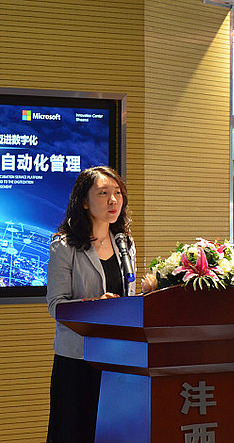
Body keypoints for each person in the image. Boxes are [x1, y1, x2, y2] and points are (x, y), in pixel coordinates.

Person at [46, 166, 136, 443]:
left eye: (117, 193)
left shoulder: (125, 244)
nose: (113, 200)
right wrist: (96, 305)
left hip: (118, 358)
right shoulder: (64, 247)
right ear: (84, 202)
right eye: (103, 193)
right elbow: (57, 306)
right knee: (75, 433)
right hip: (78, 359)